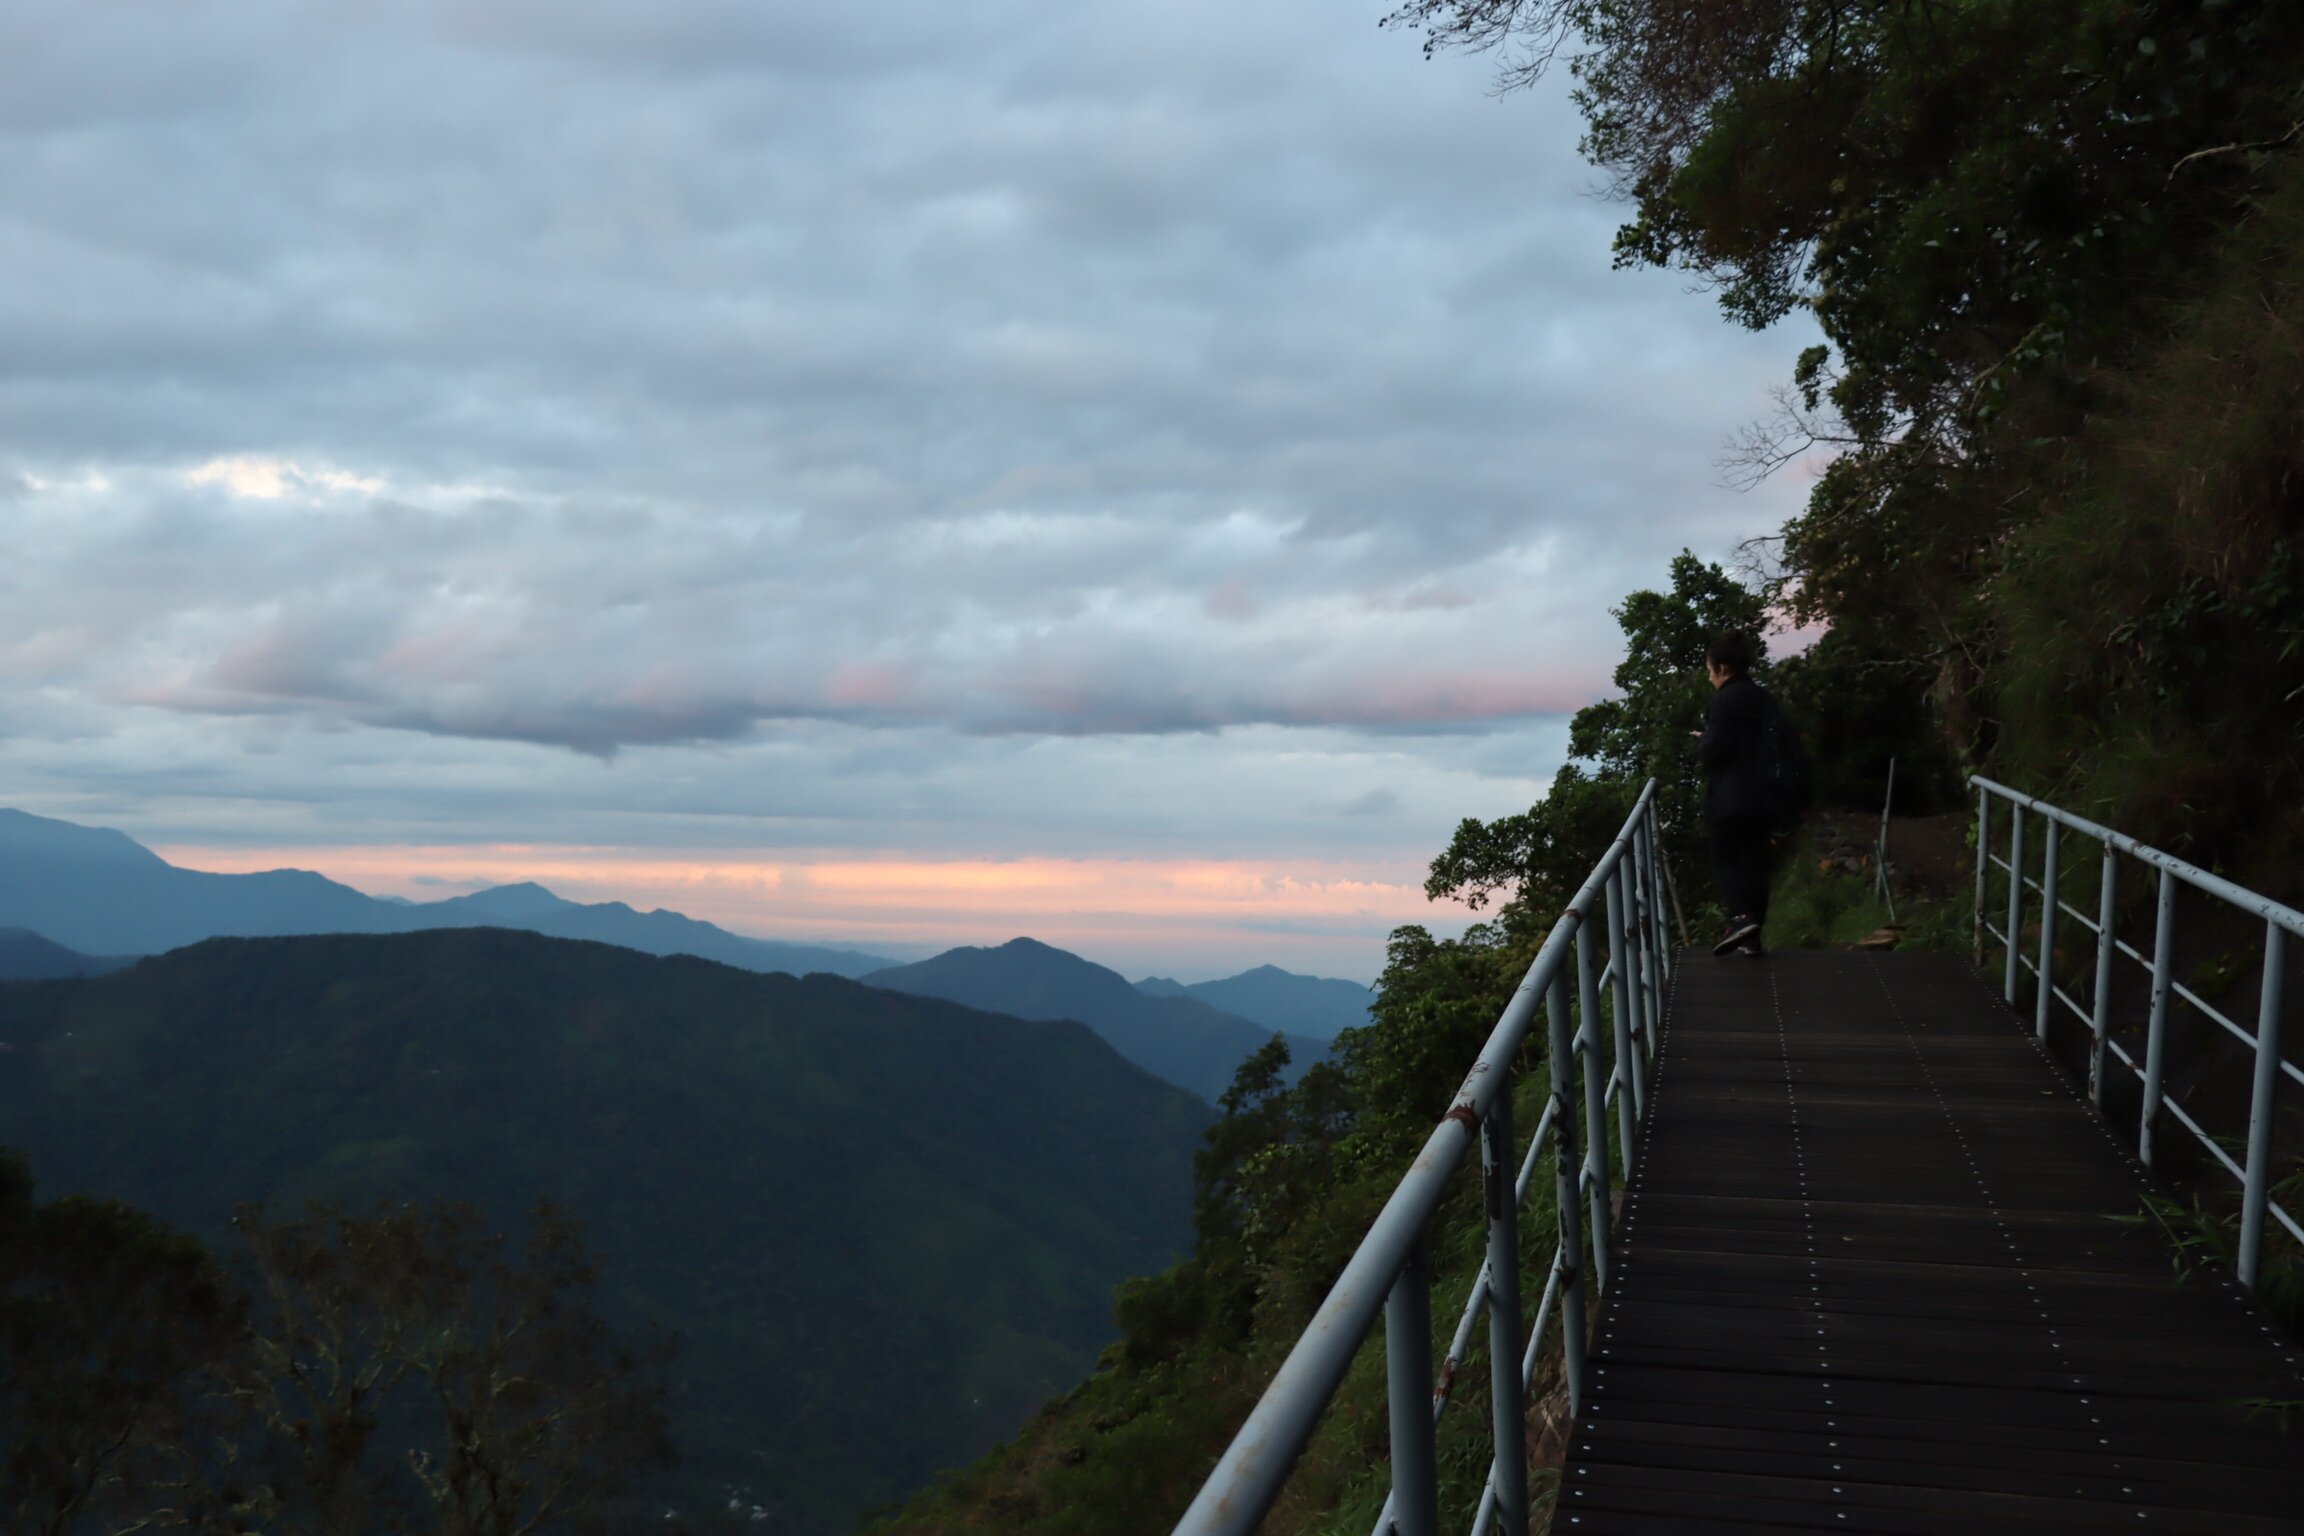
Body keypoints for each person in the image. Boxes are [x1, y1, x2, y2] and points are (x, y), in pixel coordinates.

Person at [1695, 629, 1780, 956]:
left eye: (1710, 671)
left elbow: (1714, 751)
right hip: (1765, 794)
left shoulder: (1724, 699)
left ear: (1723, 668)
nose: (1710, 678)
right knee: (1756, 863)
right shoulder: (1763, 697)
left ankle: (1743, 919)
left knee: (1725, 858)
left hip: (1732, 797)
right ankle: (1752, 934)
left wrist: (1702, 740)